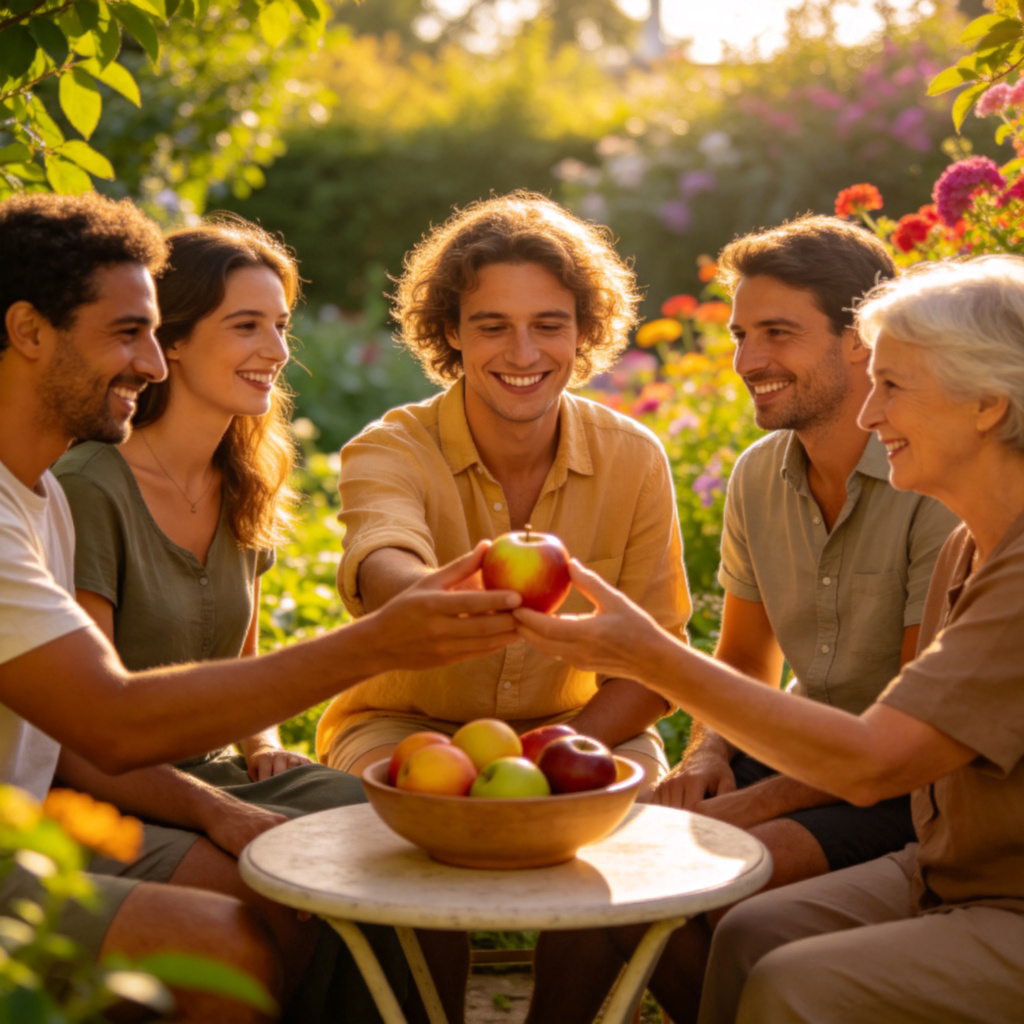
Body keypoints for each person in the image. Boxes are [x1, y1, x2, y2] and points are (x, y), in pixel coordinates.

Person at [0, 191, 520, 1021]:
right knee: (239, 937)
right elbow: (106, 725)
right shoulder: (72, 494)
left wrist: (259, 752)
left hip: (54, 816)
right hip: (64, 816)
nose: (153, 363)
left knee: (395, 842)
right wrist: (376, 643)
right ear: (29, 332)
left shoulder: (40, 499)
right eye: (130, 333)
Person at [516, 254, 1024, 1024]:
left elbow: (876, 761)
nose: (869, 413)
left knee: (795, 980)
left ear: (987, 404)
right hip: (947, 864)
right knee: (751, 932)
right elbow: (754, 665)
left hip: (990, 883)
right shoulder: (972, 544)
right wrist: (707, 754)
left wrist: (649, 658)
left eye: (892, 387)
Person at [314, 191, 691, 789]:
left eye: (548, 325)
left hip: (582, 726)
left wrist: (553, 759)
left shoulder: (634, 457)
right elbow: (384, 564)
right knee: (396, 819)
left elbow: (654, 660)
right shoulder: (392, 447)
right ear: (452, 332)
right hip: (403, 724)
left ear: (583, 331)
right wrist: (438, 600)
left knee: (635, 822)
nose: (523, 353)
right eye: (494, 327)